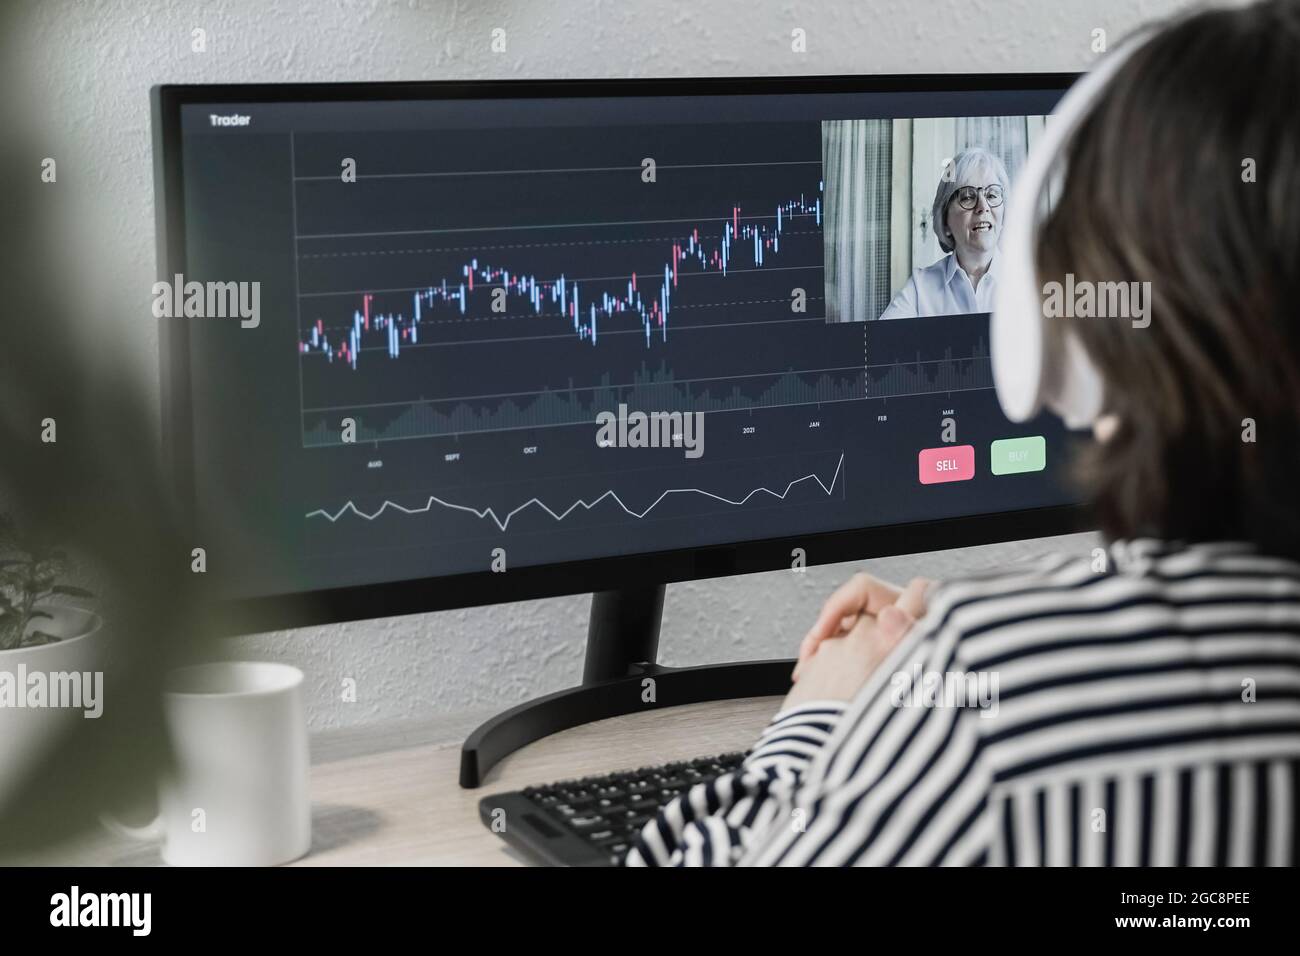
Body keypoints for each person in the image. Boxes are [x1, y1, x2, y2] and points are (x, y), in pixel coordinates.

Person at [627, 0, 1300, 866]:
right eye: (967, 201)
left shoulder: (989, 695)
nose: (982, 212)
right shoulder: (921, 286)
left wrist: (823, 713)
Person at [877, 147, 1008, 320]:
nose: (983, 207)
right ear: (945, 221)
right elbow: (882, 337)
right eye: (967, 197)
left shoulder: (1033, 278)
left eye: (991, 195)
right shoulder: (920, 288)